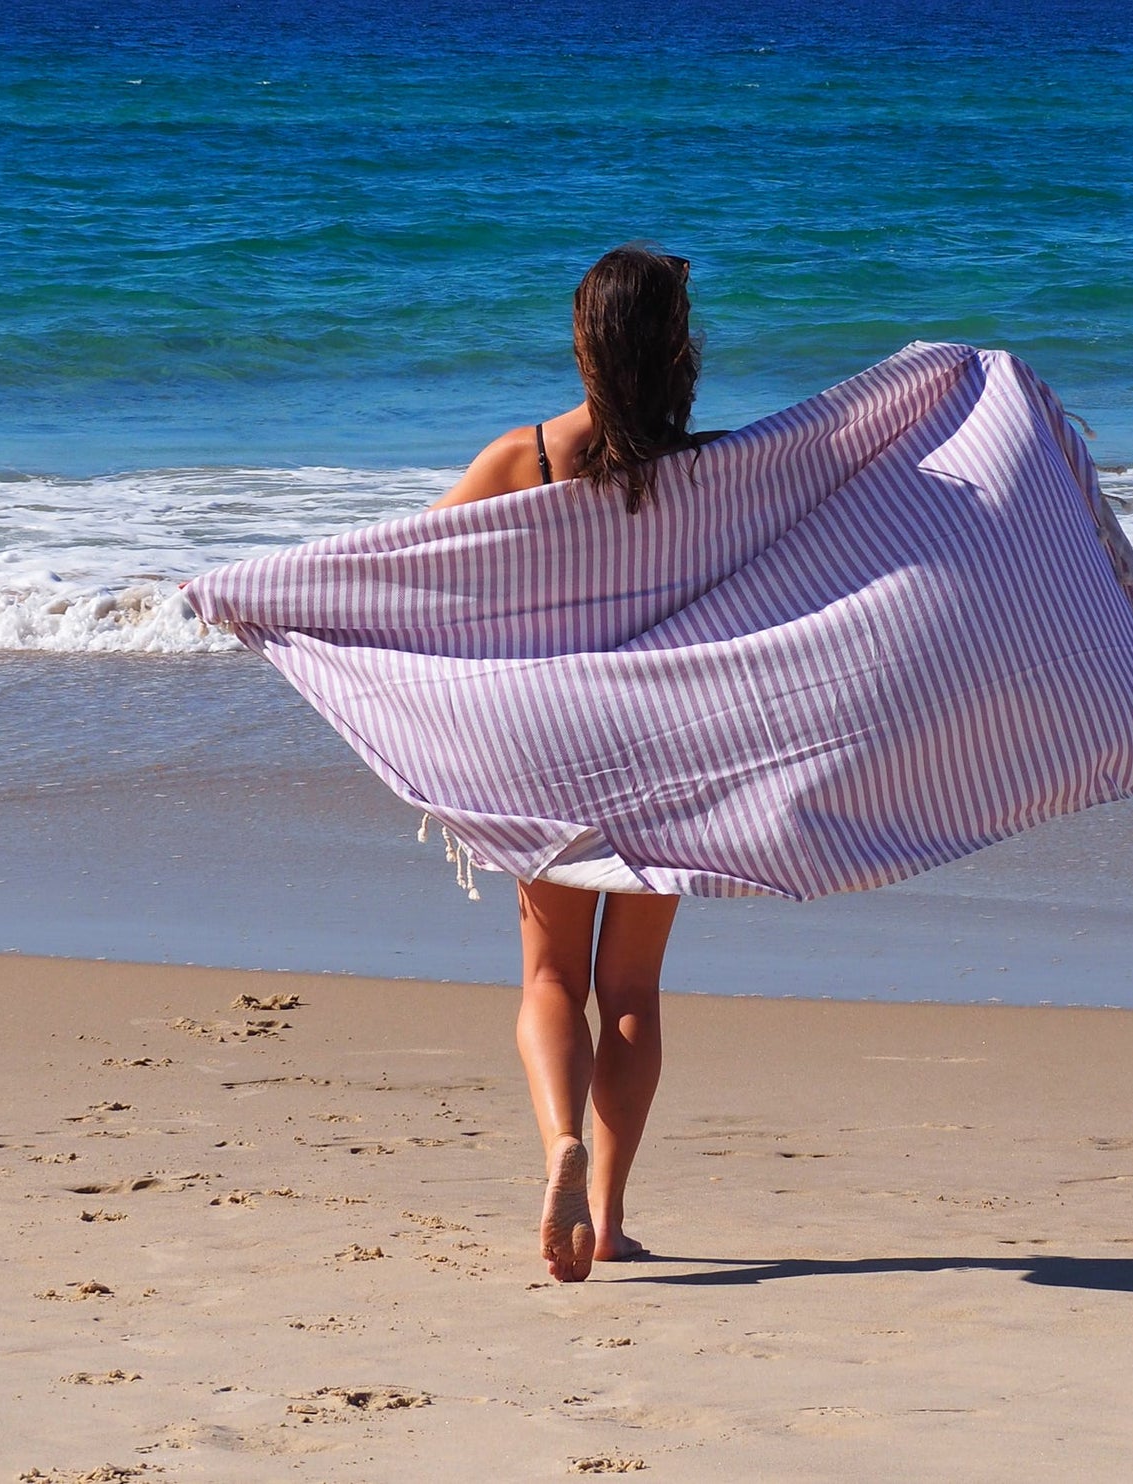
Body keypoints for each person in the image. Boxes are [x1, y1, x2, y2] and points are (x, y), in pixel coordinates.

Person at [430, 244, 704, 1283]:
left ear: (582, 341)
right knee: (629, 985)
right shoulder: (713, 471)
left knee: (549, 973)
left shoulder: (520, 461)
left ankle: (557, 1144)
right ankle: (609, 1209)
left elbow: (398, 579)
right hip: (666, 754)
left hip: (545, 747)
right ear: (676, 349)